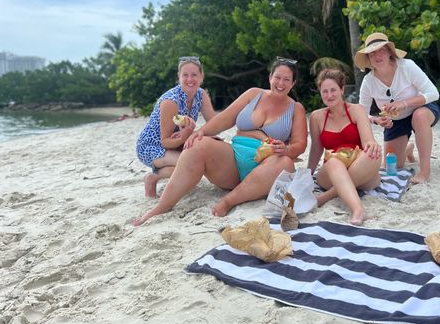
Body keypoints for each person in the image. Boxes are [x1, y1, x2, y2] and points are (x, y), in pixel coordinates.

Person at [132, 57, 308, 226]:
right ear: (270, 77)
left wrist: (286, 149)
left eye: (287, 79)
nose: (281, 83)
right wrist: (200, 132)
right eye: (277, 77)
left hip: (268, 165)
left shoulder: (296, 108)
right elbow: (225, 118)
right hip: (233, 160)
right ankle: (163, 205)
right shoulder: (254, 94)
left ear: (292, 83)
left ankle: (228, 201)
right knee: (199, 143)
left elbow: (300, 145)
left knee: (286, 163)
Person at [355, 32, 440, 184]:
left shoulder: (407, 66)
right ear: (368, 58)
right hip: (396, 120)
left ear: (389, 52)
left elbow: (433, 93)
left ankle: (425, 171)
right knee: (391, 165)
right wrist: (376, 120)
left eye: (381, 50)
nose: (377, 56)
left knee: (419, 116)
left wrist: (404, 103)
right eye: (372, 53)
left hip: (421, 109)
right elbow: (361, 114)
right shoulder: (368, 82)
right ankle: (408, 148)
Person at [307, 69, 382, 225]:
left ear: (342, 89)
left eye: (333, 90)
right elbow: (316, 149)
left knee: (373, 152)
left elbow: (368, 140)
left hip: (361, 168)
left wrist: (372, 144)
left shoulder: (357, 110)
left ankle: (325, 197)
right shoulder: (316, 117)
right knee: (334, 162)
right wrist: (307, 174)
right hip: (332, 172)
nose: (329, 95)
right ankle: (358, 210)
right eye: (324, 91)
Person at [136, 56, 216, 197]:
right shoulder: (171, 101)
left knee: (201, 156)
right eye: (185, 75)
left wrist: (199, 134)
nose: (189, 79)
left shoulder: (201, 94)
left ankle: (162, 172)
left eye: (194, 75)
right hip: (151, 146)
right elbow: (165, 141)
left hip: (176, 141)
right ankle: (152, 178)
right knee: (191, 165)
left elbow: (214, 123)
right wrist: (187, 135)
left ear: (201, 77)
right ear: (178, 77)